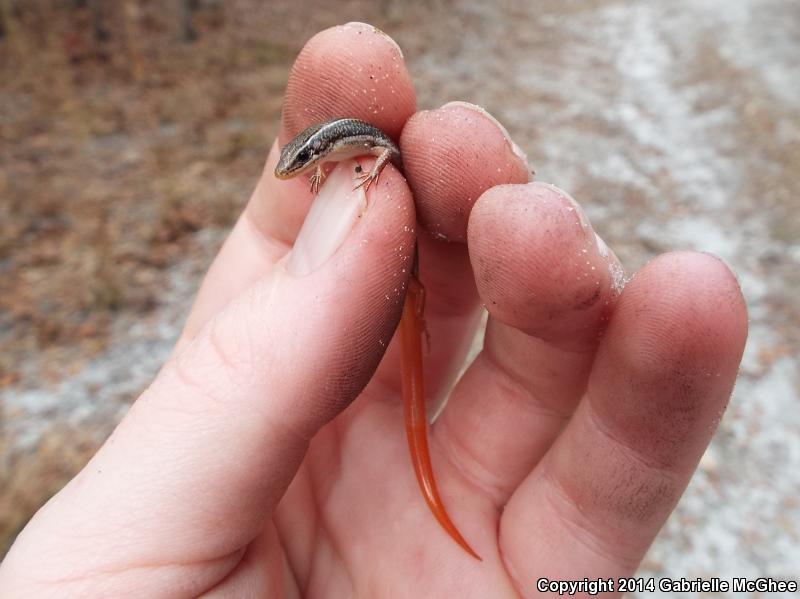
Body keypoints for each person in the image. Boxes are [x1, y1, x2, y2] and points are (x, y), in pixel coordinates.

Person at [0, 23, 747, 597]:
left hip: (409, 224)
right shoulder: (322, 148)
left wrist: (366, 176)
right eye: (298, 166)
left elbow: (370, 147)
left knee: (454, 236)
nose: (296, 173)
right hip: (396, 257)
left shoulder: (352, 148)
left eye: (303, 166)